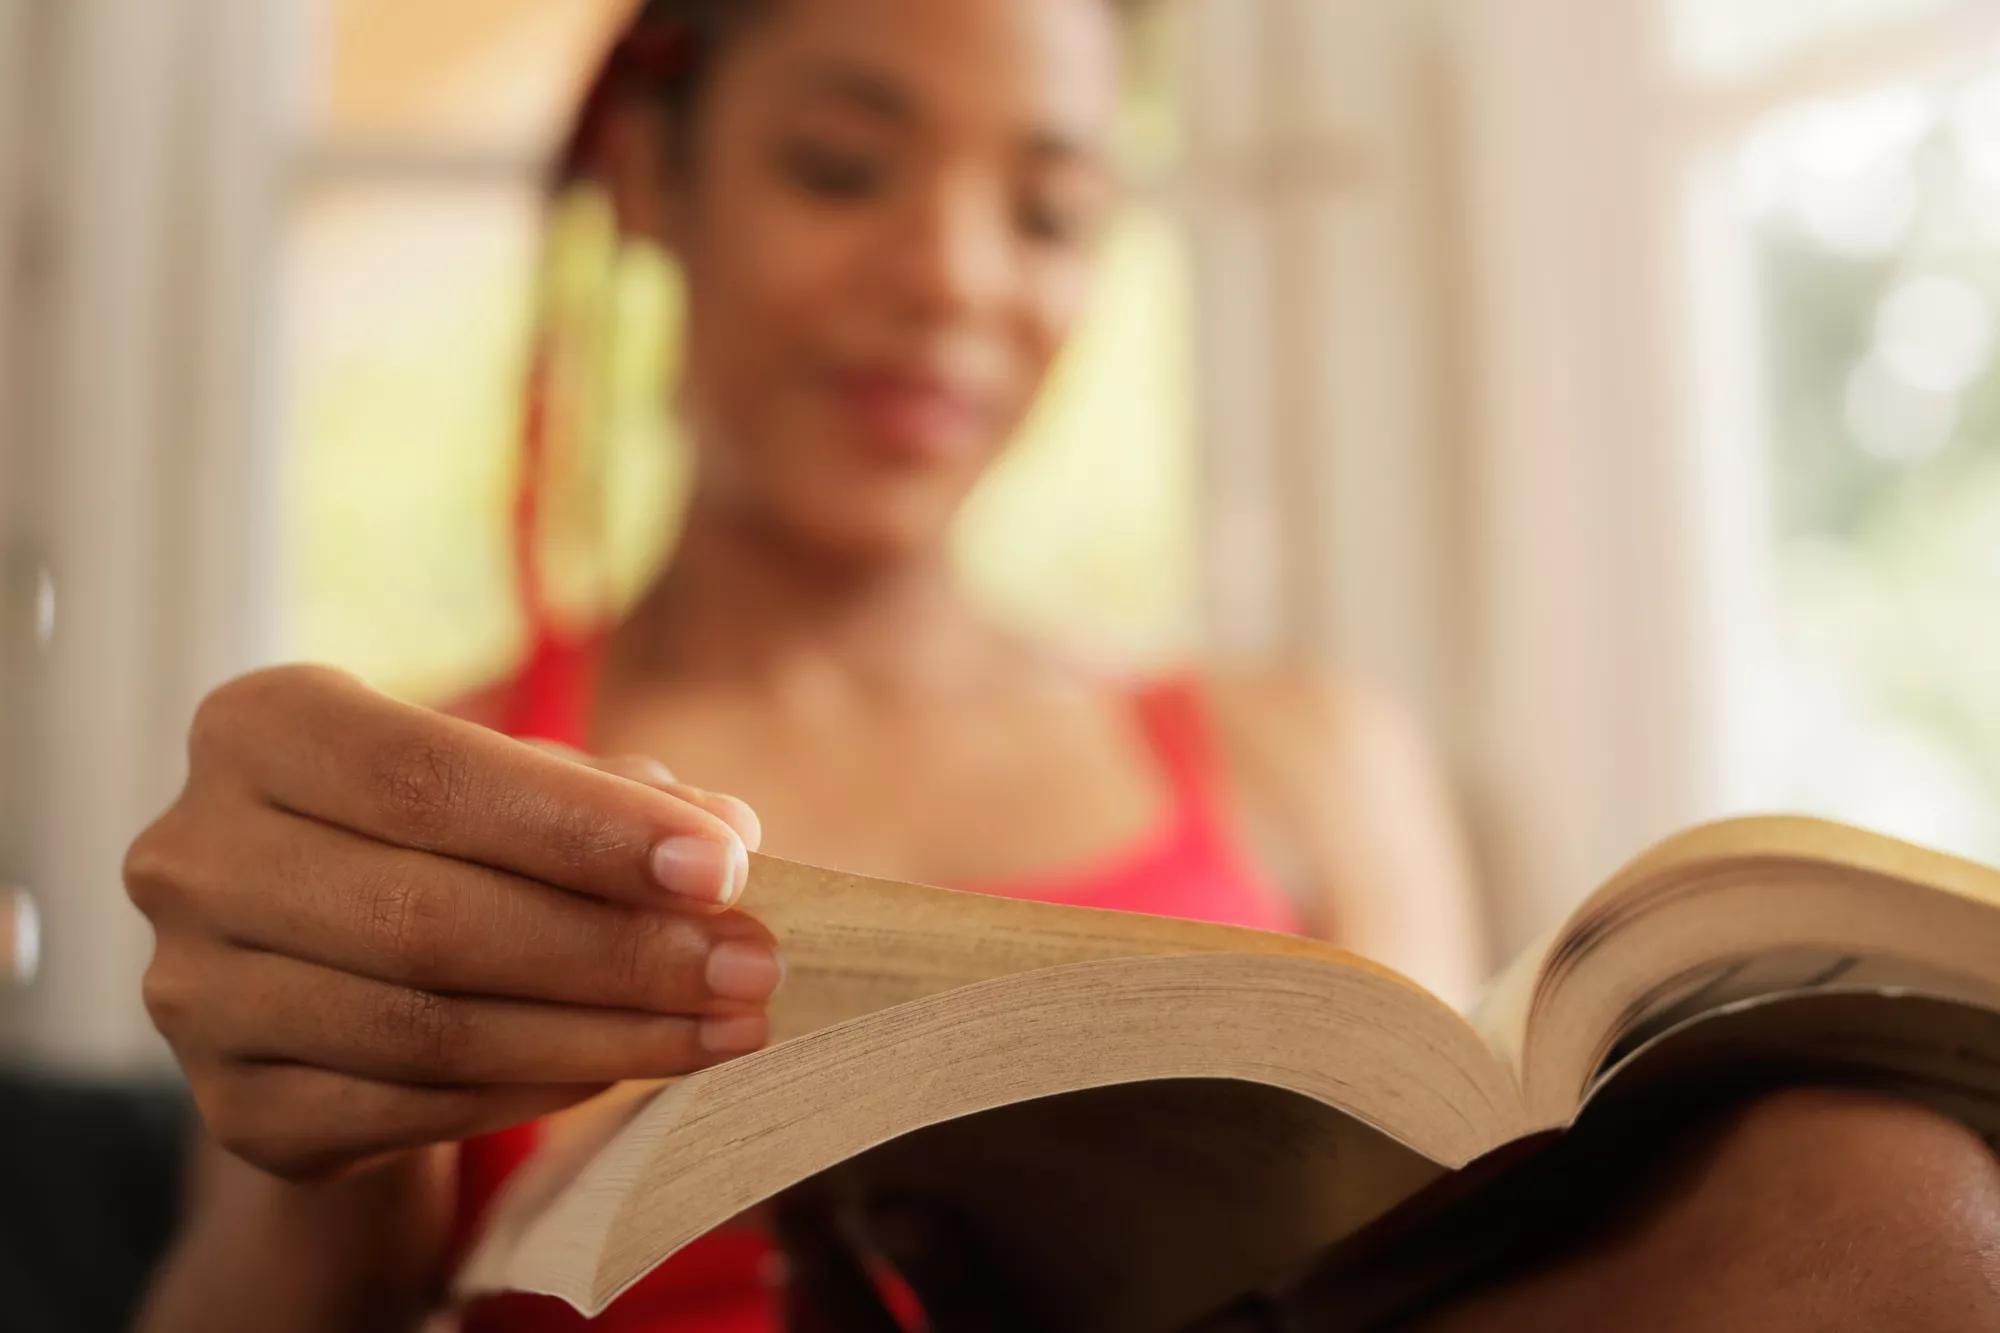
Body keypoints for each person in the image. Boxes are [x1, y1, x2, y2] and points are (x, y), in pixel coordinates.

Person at [125, 2, 1999, 1331]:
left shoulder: (1302, 753)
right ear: (652, 173)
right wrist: (315, 1153)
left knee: (1889, 1201)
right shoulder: (428, 798)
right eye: (845, 165)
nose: (953, 273)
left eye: (1046, 208)